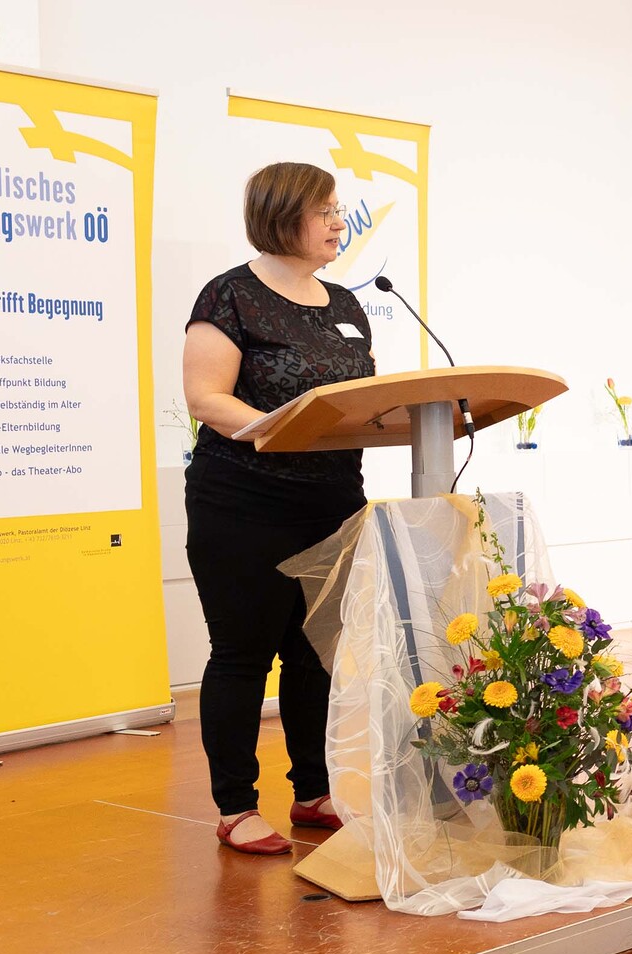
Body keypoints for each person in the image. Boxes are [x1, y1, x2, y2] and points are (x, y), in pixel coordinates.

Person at [183, 162, 374, 855]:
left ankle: (313, 791)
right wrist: (283, 428)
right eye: (324, 211)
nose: (338, 223)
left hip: (332, 501)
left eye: (339, 209)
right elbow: (207, 398)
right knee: (242, 655)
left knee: (315, 654)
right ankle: (236, 805)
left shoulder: (347, 303)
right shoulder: (229, 295)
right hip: (243, 502)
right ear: (281, 215)